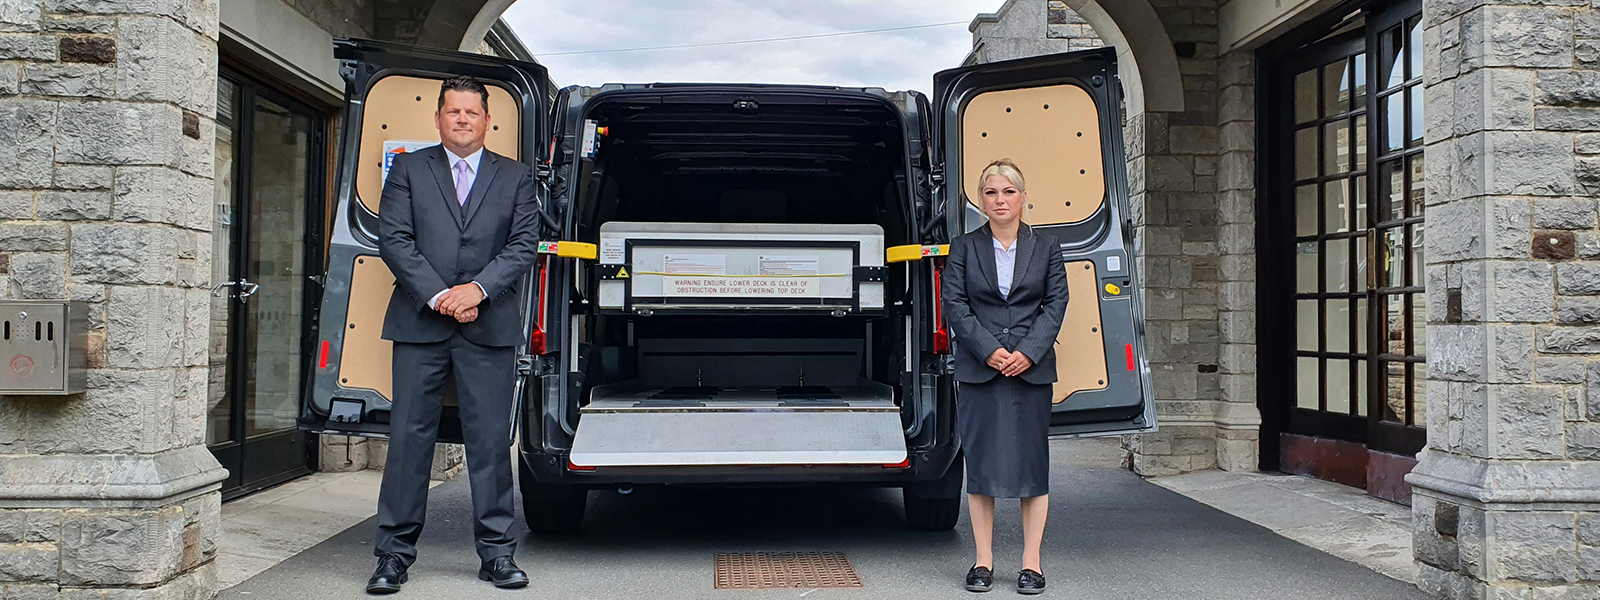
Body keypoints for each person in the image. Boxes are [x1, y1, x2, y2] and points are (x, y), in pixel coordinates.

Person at [366, 75, 541, 594]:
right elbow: (393, 238)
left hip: (489, 325)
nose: (462, 120)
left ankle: (497, 555)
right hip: (421, 323)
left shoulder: (516, 177)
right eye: (453, 111)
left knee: (488, 442)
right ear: (437, 118)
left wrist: (478, 290)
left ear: (488, 121)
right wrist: (442, 295)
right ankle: (392, 557)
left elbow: (523, 244)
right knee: (409, 441)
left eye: (471, 113)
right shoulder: (409, 170)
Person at [941, 159, 1068, 595]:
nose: (1000, 200)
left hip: (1030, 373)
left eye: (1008, 192)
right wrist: (990, 351)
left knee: (1033, 469)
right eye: (991, 193)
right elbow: (955, 305)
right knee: (981, 469)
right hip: (981, 372)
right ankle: (983, 561)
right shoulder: (962, 247)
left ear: (1023, 197)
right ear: (981, 200)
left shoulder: (1047, 247)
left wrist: (1027, 353)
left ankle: (1031, 564)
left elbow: (1055, 305)